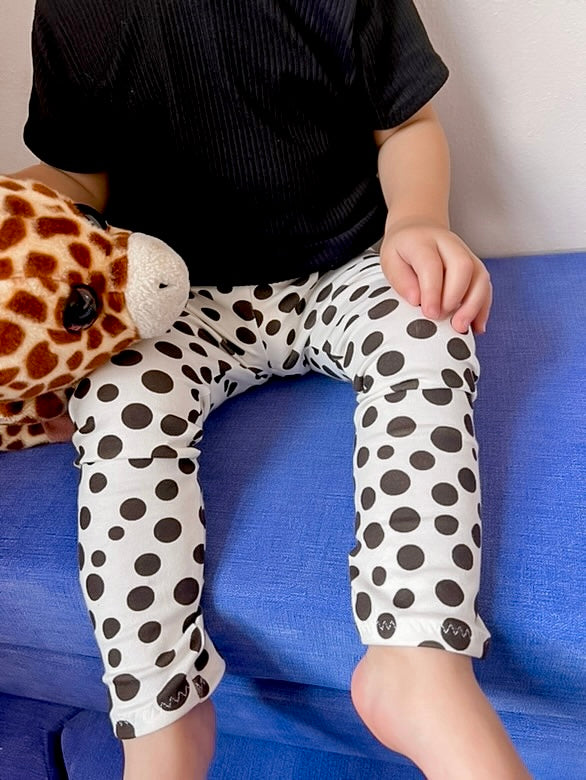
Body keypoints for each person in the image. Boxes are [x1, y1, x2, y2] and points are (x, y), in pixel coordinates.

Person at [11, 1, 530, 778]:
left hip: (346, 267)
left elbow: (407, 126)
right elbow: (81, 174)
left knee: (431, 329)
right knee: (114, 405)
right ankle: (159, 709)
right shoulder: (76, 15)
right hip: (172, 298)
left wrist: (418, 222)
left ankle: (418, 656)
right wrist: (24, 207)